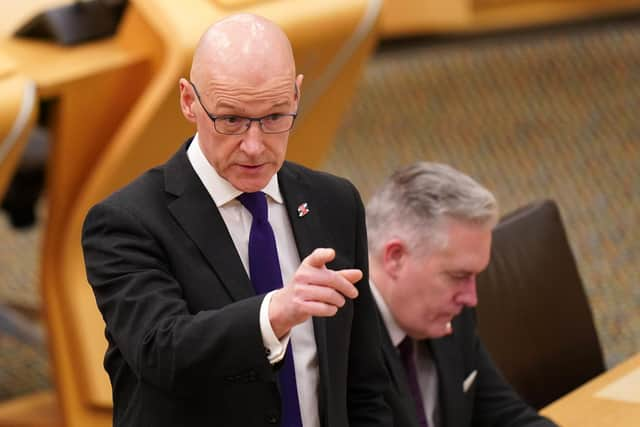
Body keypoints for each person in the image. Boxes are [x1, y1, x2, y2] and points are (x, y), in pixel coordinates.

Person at [81, 14, 391, 427]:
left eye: (275, 117)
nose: (253, 145)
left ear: (297, 95)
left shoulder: (334, 202)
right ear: (189, 101)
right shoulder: (126, 221)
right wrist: (274, 312)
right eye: (231, 120)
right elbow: (162, 351)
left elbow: (364, 378)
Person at [366, 162, 558, 427]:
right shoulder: (337, 344)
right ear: (396, 258)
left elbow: (506, 416)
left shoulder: (449, 314)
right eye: (459, 276)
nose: (471, 298)